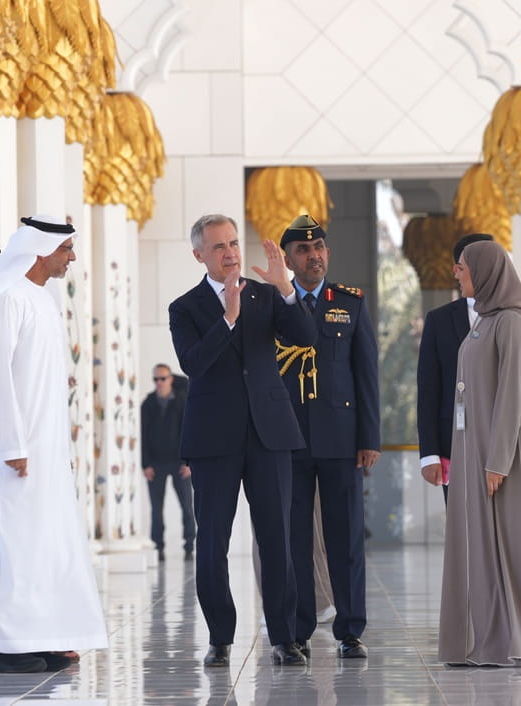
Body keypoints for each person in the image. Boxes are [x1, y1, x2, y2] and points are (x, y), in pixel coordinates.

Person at [167, 213, 315, 668]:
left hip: (270, 433)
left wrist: (288, 289)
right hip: (214, 439)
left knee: (278, 540)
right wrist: (227, 319)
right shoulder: (184, 307)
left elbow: (307, 338)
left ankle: (284, 638)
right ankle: (220, 637)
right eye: (219, 247)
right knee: (212, 542)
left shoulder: (268, 295)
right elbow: (193, 363)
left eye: (233, 243)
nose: (230, 252)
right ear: (199, 255)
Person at [0, 215, 108, 674]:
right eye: (67, 249)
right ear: (40, 250)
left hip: (45, 448)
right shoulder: (9, 298)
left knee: (46, 543)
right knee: (17, 544)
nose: (71, 257)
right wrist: (13, 443)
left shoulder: (40, 300)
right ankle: (6, 646)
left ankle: (42, 636)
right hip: (19, 449)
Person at [437, 240, 521, 666]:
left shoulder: (514, 324)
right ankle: (489, 640)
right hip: (475, 452)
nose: (457, 274)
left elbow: (514, 396)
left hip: (506, 461)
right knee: (481, 547)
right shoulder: (485, 322)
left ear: (485, 271)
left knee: (514, 545)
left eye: (462, 268)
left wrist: (497, 461)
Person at [276, 214, 378, 658]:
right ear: (288, 258)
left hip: (341, 438)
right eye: (303, 250)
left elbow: (366, 374)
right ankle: (297, 630)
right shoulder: (273, 302)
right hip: (288, 439)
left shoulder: (349, 302)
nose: (313, 256)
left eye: (319, 248)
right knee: (293, 537)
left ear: (327, 253)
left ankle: (351, 630)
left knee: (346, 536)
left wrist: (369, 438)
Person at [417, 233, 521, 494]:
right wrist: (430, 453)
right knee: (465, 527)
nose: (457, 275)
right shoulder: (438, 320)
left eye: (463, 268)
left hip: (512, 447)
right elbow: (429, 390)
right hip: (456, 444)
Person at [141, 363, 195, 558]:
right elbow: (143, 436)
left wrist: (188, 462)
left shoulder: (182, 401)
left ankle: (189, 546)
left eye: (163, 378)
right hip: (156, 464)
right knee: (156, 509)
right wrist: (145, 464)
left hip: (180, 463)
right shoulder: (147, 404)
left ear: (171, 379)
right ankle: (158, 546)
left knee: (187, 506)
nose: (159, 383)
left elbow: (189, 431)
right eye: (156, 379)